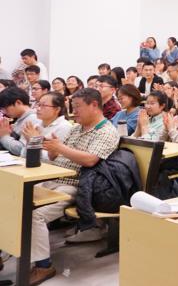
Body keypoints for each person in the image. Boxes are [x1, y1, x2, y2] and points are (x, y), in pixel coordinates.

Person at [28, 88, 119, 284]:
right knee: (13, 199)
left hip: (76, 185)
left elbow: (90, 160)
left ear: (94, 105)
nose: (73, 111)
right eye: (72, 106)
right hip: (53, 177)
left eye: (77, 107)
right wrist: (53, 149)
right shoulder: (76, 128)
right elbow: (57, 156)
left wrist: (59, 148)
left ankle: (43, 266)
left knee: (34, 214)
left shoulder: (106, 131)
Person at [19, 91, 72, 161]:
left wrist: (35, 140)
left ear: (57, 109)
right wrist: (30, 141)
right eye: (38, 105)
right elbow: (23, 155)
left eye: (43, 106)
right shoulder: (37, 126)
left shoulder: (64, 127)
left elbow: (53, 159)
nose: (38, 109)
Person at [0, 87, 40, 155]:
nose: (4, 112)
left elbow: (22, 150)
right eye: (2, 109)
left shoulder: (32, 120)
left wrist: (4, 136)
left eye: (6, 108)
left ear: (18, 102)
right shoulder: (20, 119)